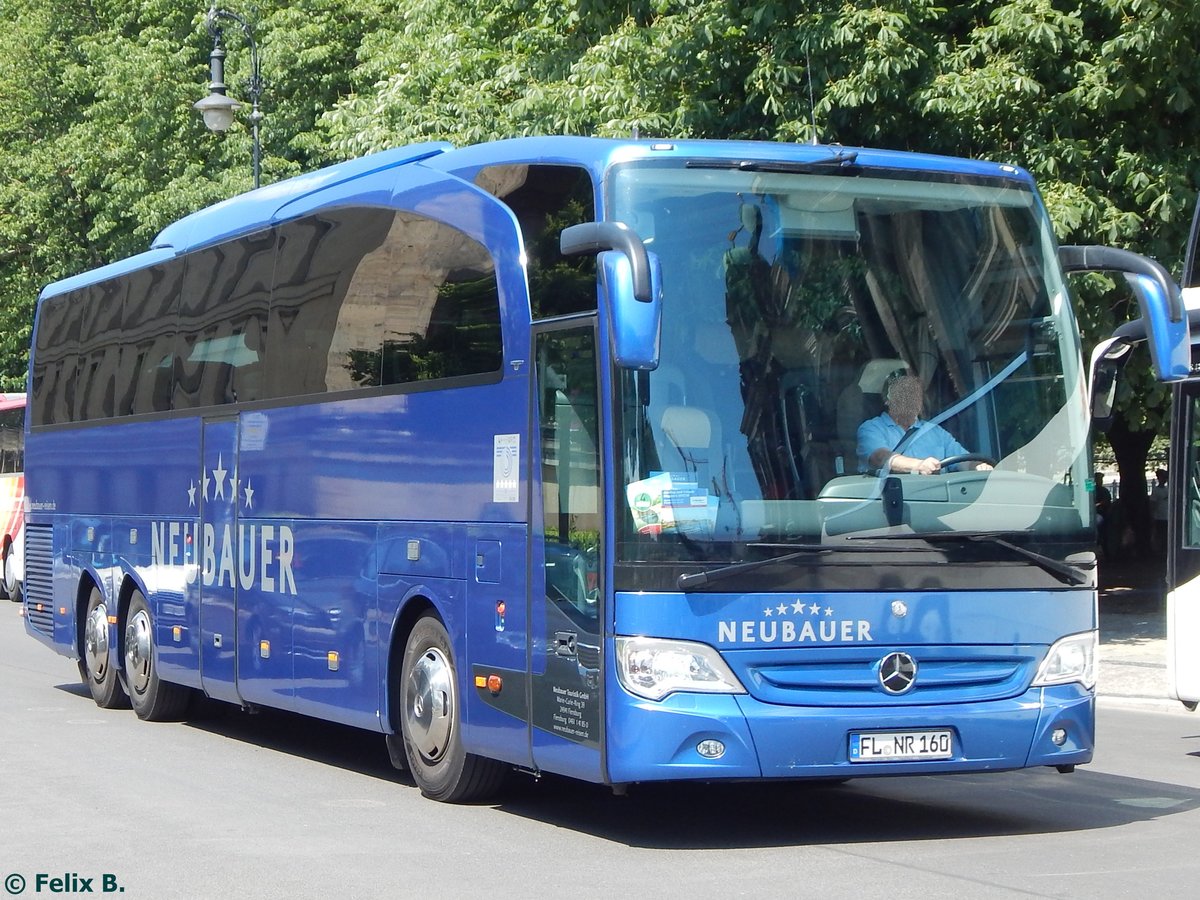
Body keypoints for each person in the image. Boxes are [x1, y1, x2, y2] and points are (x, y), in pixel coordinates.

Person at [857, 374, 994, 475]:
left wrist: (978, 467)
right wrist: (919, 465)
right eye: (903, 394)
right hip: (892, 502)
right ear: (887, 400)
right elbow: (880, 457)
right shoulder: (871, 429)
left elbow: (963, 461)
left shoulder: (935, 432)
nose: (910, 399)